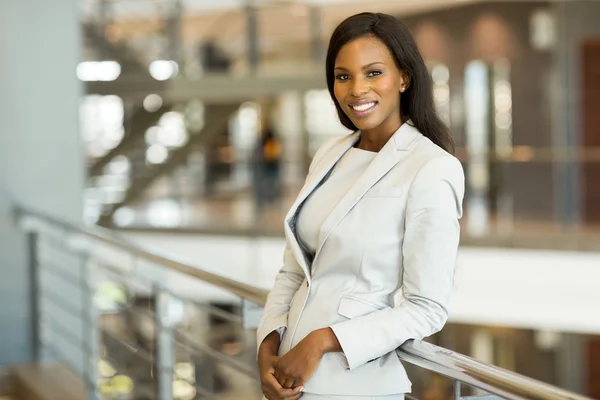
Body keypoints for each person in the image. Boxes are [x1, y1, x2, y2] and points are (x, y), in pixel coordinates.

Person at [256, 12, 464, 400]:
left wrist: (322, 341)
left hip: (358, 388)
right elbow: (293, 272)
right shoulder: (330, 153)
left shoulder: (432, 168)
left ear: (403, 77)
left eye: (373, 73)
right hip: (288, 380)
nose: (356, 90)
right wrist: (267, 348)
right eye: (343, 75)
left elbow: (427, 307)